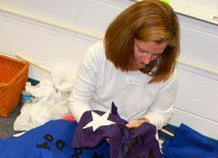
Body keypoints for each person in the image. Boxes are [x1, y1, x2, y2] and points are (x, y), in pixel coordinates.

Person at [68, 0, 180, 130]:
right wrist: (98, 127)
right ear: (125, 39)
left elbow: (162, 113)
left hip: (134, 133)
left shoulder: (167, 71)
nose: (147, 61)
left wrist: (146, 122)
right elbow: (78, 101)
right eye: (142, 51)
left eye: (156, 54)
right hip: (92, 124)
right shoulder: (98, 54)